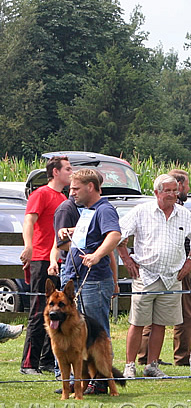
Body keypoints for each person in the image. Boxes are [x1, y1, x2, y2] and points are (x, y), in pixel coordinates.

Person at [118, 174, 191, 378]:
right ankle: (130, 365)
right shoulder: (142, 211)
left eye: (175, 190)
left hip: (171, 278)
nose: (172, 194)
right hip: (146, 275)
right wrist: (127, 260)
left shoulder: (184, 214)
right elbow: (118, 235)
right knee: (137, 322)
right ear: (156, 192)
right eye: (167, 190)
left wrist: (190, 263)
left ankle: (152, 365)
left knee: (161, 323)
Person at [61, 169, 122, 394]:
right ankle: (81, 381)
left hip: (93, 282)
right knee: (78, 335)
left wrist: (97, 256)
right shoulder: (87, 211)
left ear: (90, 187)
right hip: (75, 280)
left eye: (76, 188)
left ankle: (101, 382)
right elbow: (88, 235)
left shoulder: (104, 209)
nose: (72, 193)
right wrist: (70, 232)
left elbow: (114, 235)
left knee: (97, 335)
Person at [138, 169, 191, 367]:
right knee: (183, 315)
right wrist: (188, 262)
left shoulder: (182, 211)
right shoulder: (173, 209)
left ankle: (147, 358)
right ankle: (180, 357)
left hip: (176, 268)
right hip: (170, 270)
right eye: (186, 185)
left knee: (155, 318)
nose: (186, 189)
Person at [19, 155, 73, 375]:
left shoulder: (63, 197)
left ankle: (47, 361)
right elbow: (29, 220)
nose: (71, 172)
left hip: (59, 259)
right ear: (55, 172)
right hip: (42, 259)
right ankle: (28, 363)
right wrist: (28, 247)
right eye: (68, 169)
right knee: (38, 311)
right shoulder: (40, 194)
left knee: (58, 311)